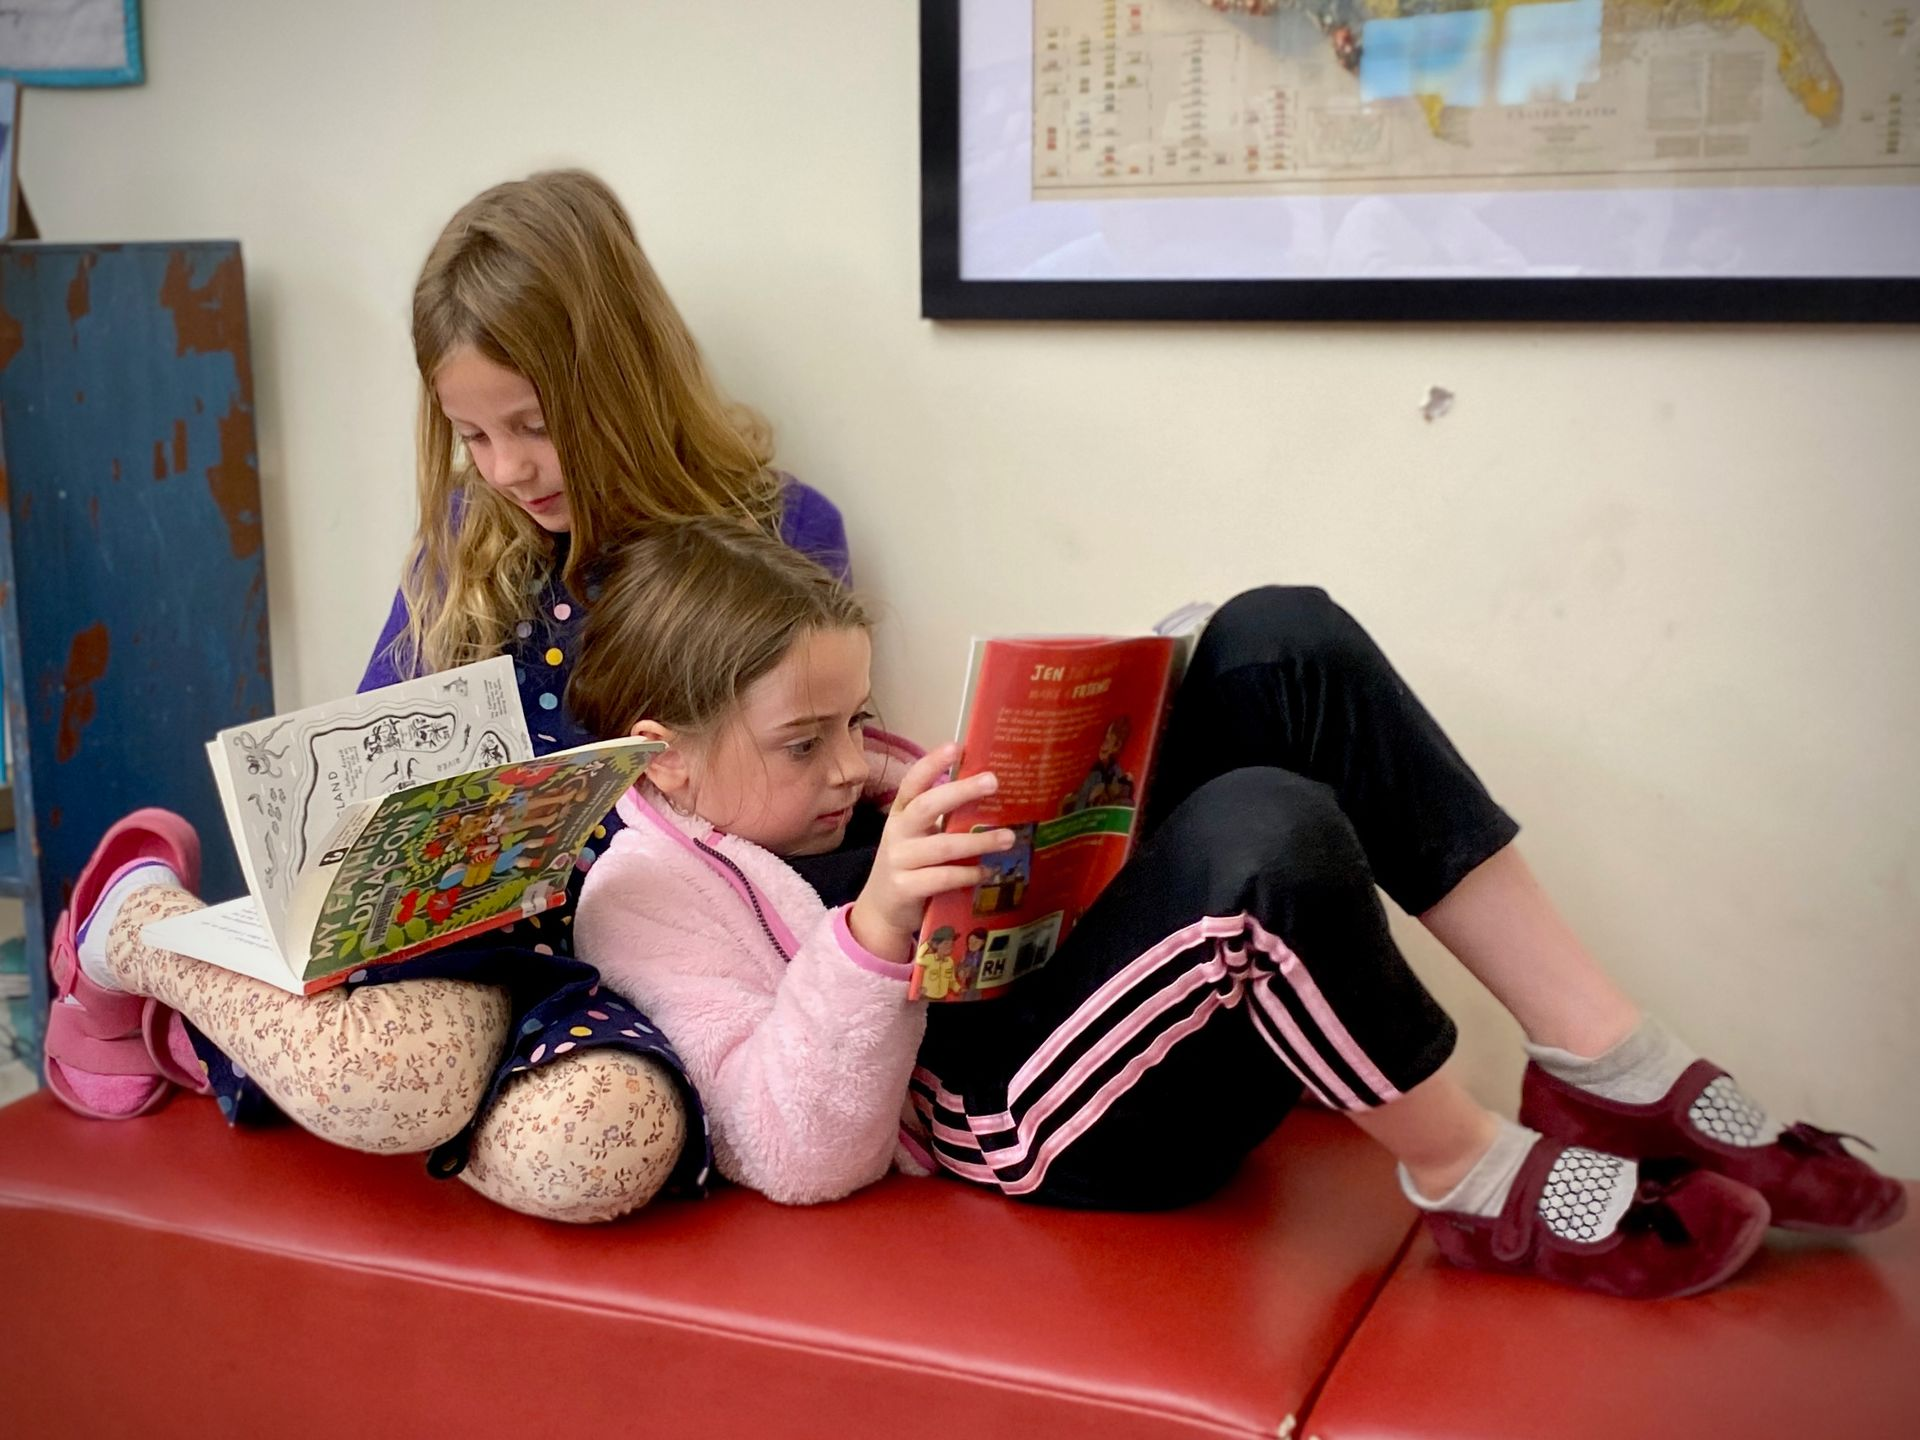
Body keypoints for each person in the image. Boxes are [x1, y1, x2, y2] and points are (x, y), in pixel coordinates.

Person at [570, 517, 1904, 1299]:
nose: (848, 763)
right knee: (1261, 830)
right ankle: (1468, 1177)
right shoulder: (643, 893)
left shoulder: (836, 789)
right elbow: (795, 1151)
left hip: (1067, 1003)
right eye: (804, 742)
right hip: (1012, 1125)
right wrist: (875, 934)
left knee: (1282, 640)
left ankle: (1606, 1061)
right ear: (665, 759)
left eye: (858, 721)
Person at [43, 170, 852, 1224]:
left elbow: (797, 780)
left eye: (534, 424)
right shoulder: (468, 547)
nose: (508, 467)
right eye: (473, 435)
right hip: (467, 952)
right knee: (395, 1071)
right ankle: (137, 923)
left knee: (606, 1154)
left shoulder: (778, 535)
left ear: (622, 379)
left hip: (656, 968)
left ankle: (285, 1052)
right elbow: (359, 796)